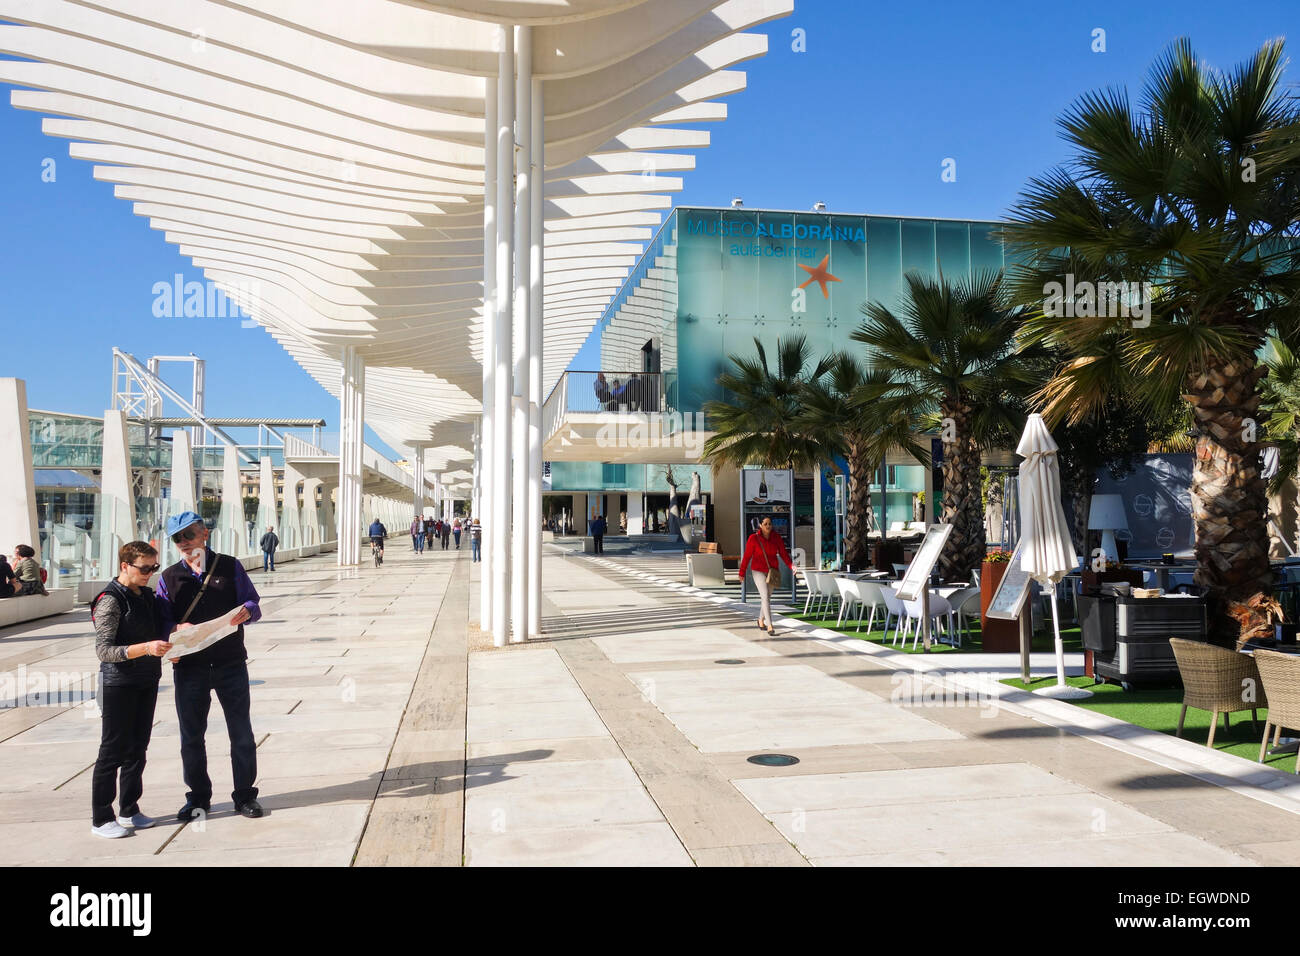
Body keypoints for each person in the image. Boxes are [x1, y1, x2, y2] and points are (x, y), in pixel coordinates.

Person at [156, 511, 264, 821]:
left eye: (189, 535)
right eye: (177, 538)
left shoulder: (230, 566)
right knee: (191, 736)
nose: (184, 543)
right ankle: (198, 797)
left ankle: (245, 795)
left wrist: (247, 611)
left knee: (241, 731)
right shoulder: (168, 577)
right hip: (190, 668)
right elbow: (162, 620)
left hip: (231, 662)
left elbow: (253, 602)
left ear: (205, 533)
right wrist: (174, 630)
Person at [89, 541, 173, 838]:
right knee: (112, 751)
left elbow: (163, 627)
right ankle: (101, 818)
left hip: (146, 680)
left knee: (138, 748)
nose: (150, 573)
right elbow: (104, 651)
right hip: (118, 684)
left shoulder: (146, 596)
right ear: (125, 565)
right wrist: (145, 648)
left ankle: (129, 809)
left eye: (154, 567)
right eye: (144, 568)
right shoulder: (110, 600)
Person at [739, 516, 793, 636]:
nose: (768, 526)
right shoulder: (753, 538)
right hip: (758, 571)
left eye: (770, 524)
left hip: (772, 572)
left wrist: (791, 566)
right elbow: (747, 556)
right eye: (765, 524)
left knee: (766, 598)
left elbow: (783, 553)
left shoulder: (776, 538)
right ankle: (770, 625)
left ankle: (760, 620)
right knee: (765, 596)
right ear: (760, 525)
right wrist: (741, 572)